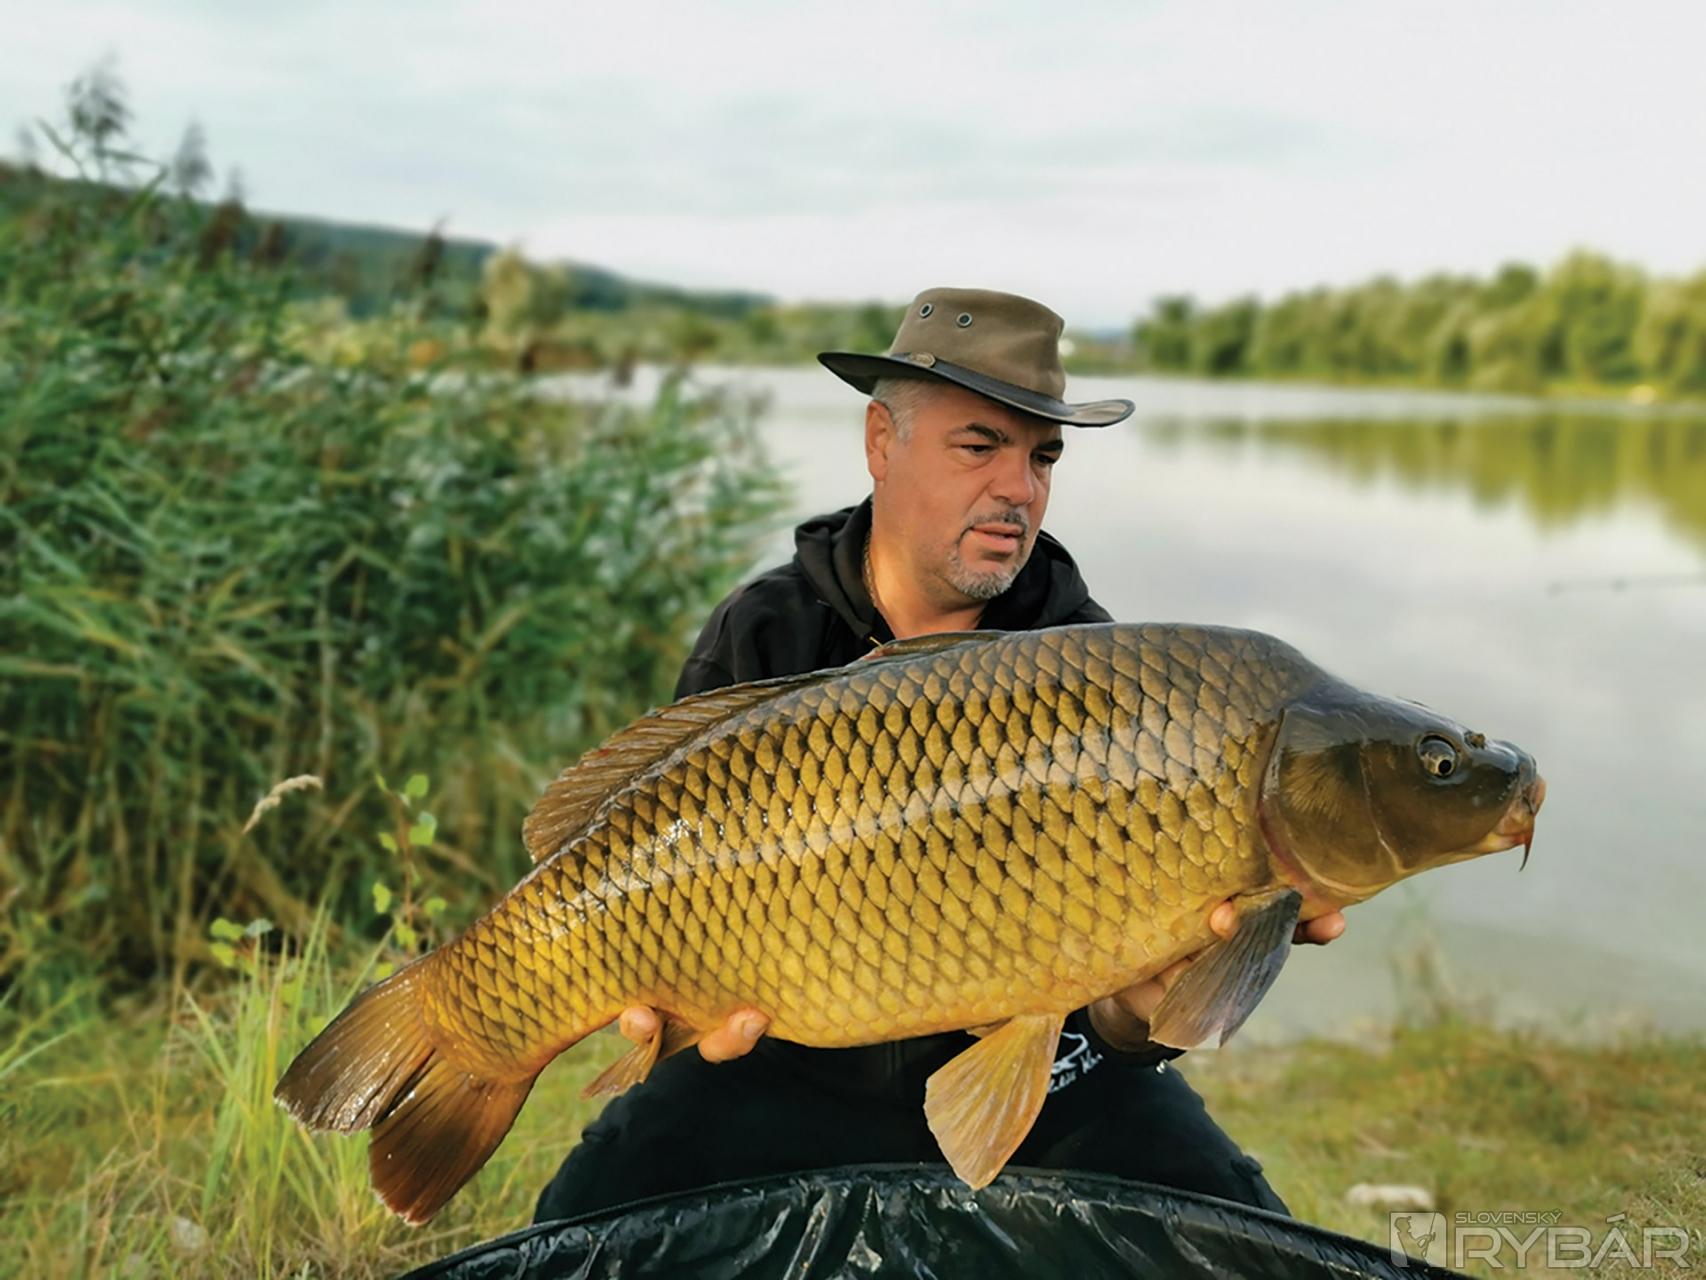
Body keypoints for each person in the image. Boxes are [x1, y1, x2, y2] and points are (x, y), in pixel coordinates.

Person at [533, 287, 1346, 1224]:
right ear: (882, 441)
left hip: (1038, 1067)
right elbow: (658, 850)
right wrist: (667, 1003)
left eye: (1042, 456)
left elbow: (1123, 1014)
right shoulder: (765, 629)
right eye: (979, 446)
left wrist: (1135, 1019)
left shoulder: (1096, 665)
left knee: (1229, 1223)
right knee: (590, 1217)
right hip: (784, 1058)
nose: (1018, 488)